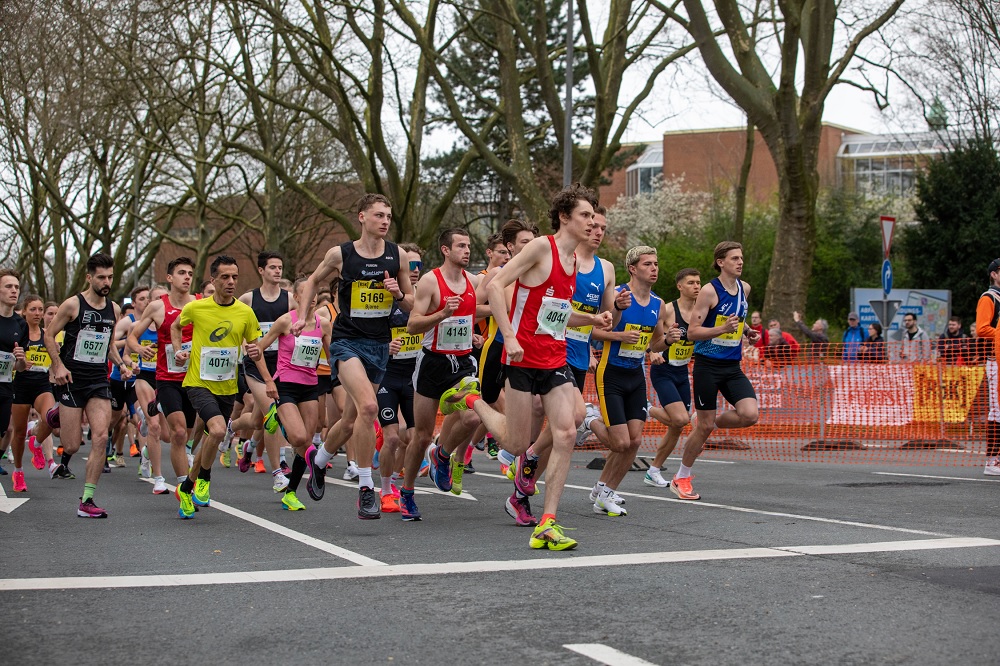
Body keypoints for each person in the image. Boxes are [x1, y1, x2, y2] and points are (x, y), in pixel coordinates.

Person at [447, 183, 612, 550]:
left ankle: (548, 522)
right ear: (565, 217)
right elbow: (496, 286)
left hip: (554, 357)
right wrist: (508, 335)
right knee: (516, 441)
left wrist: (591, 319)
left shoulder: (573, 263)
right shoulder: (542, 248)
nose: (591, 222)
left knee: (566, 432)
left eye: (593, 216)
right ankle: (471, 399)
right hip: (520, 357)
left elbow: (558, 313)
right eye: (585, 215)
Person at [299, 193, 414, 520]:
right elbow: (312, 280)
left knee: (350, 421)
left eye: (389, 216)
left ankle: (318, 461)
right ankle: (366, 487)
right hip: (347, 342)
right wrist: (301, 315)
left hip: (379, 344)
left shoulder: (398, 256)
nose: (385, 221)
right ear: (362, 217)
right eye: (379, 215)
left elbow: (411, 304)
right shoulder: (341, 254)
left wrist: (398, 294)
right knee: (368, 407)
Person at [503, 207, 620, 527]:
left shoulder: (606, 269)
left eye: (602, 228)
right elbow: (527, 298)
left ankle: (524, 479)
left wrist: (611, 313)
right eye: (592, 224)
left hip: (576, 353)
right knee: (554, 421)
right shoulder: (553, 255)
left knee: (571, 422)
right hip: (545, 349)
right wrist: (511, 334)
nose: (597, 231)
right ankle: (526, 479)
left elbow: (605, 321)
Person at [171, 255, 271, 519]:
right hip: (198, 382)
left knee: (213, 436)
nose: (230, 282)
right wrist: (179, 351)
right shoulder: (197, 308)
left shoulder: (245, 312)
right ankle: (204, 476)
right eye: (225, 277)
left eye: (235, 277)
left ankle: (187, 486)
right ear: (213, 279)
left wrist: (268, 380)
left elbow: (255, 349)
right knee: (216, 430)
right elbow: (175, 326)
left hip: (227, 386)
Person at [587, 246, 679, 516]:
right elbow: (593, 332)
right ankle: (589, 418)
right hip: (611, 373)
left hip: (636, 376)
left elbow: (655, 343)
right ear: (633, 268)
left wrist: (668, 341)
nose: (654, 268)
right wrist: (618, 336)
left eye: (656, 263)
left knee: (635, 441)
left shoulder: (658, 304)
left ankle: (604, 491)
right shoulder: (617, 296)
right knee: (620, 443)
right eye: (648, 264)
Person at [398, 229, 483, 520]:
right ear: (445, 250)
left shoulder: (473, 281)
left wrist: (474, 332)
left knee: (473, 414)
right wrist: (442, 314)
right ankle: (407, 492)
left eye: (469, 246)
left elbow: (478, 308)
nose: (467, 251)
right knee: (421, 436)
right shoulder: (430, 281)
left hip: (462, 362)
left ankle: (443, 454)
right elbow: (412, 325)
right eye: (461, 246)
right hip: (432, 362)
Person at [44, 253, 130, 518]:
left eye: (110, 277)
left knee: (101, 436)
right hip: (71, 380)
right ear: (89, 277)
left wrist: (121, 364)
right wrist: (58, 365)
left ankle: (87, 500)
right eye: (101, 277)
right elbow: (48, 335)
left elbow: (107, 345)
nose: (106, 282)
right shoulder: (72, 305)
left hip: (97, 381)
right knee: (70, 445)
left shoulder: (113, 309)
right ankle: (54, 415)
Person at [673, 241, 761, 501]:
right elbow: (692, 332)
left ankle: (706, 422)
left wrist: (747, 331)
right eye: (735, 258)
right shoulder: (710, 291)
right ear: (721, 262)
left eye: (742, 258)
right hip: (707, 366)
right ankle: (681, 477)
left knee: (749, 414)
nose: (740, 262)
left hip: (732, 366)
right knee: (705, 427)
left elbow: (737, 317)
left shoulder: (744, 289)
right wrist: (721, 331)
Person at [255, 278, 332, 511]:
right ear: (297, 297)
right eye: (307, 292)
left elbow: (334, 356)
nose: (313, 297)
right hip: (285, 385)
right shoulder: (286, 321)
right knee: (298, 439)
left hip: (310, 385)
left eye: (316, 292)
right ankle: (316, 465)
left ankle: (291, 493)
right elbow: (258, 349)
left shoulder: (324, 324)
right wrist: (268, 380)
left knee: (306, 440)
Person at [126, 257, 198, 493]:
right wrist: (139, 349)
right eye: (181, 273)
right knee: (177, 433)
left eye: (189, 273)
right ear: (169, 278)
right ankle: (183, 489)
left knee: (185, 436)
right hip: (167, 379)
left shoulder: (199, 304)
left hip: (194, 379)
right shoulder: (158, 307)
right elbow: (132, 337)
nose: (187, 277)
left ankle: (187, 475)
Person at [375, 243, 423, 513]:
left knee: (417, 438)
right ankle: (384, 490)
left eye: (418, 266)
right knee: (394, 437)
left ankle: (400, 483)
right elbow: (370, 335)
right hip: (388, 377)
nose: (415, 271)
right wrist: (385, 348)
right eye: (410, 265)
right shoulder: (387, 297)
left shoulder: (425, 297)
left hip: (414, 379)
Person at [646, 268, 701, 487]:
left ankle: (653, 470)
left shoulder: (702, 311)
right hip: (664, 370)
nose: (696, 286)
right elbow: (650, 336)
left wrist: (745, 331)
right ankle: (646, 407)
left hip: (682, 371)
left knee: (677, 427)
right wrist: (652, 353)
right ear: (680, 286)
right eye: (691, 283)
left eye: (698, 282)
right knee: (680, 419)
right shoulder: (668, 310)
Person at [10, 293, 60, 485]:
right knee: (20, 431)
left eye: (40, 309)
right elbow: (11, 362)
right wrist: (20, 362)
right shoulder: (18, 334)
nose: (37, 313)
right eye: (33, 309)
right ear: (24, 312)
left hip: (41, 384)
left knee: (52, 417)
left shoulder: (48, 336)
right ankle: (18, 471)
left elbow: (56, 362)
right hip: (20, 385)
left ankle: (36, 443)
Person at [0, 270, 30, 492]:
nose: (13, 291)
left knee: (4, 429)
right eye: (8, 286)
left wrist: (21, 360)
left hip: (5, 383)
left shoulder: (20, 324)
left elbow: (20, 366)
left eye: (16, 287)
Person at [976, 258, 1000, 475]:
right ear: (994, 274)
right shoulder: (989, 297)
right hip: (994, 360)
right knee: (997, 410)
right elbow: (982, 329)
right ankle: (992, 460)